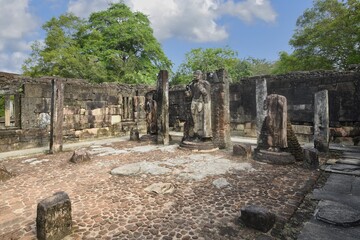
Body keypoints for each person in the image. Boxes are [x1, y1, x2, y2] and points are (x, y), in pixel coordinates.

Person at [185, 70, 212, 140]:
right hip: (194, 101)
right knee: (194, 118)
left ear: (201, 75)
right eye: (195, 75)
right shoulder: (192, 84)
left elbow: (206, 94)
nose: (196, 76)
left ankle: (201, 135)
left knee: (200, 118)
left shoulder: (205, 83)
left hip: (201, 101)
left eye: (197, 75)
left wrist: (202, 89)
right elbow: (190, 95)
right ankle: (195, 133)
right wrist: (188, 93)